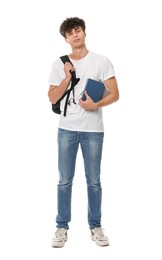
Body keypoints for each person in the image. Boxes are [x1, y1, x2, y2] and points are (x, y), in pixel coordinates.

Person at [48, 17, 119, 248]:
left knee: (94, 181)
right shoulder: (60, 64)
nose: (75, 35)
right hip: (66, 129)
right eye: (70, 33)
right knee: (64, 181)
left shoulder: (102, 61)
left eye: (77, 30)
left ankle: (95, 226)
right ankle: (61, 227)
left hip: (93, 131)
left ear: (84, 33)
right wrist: (67, 76)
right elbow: (51, 97)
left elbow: (115, 93)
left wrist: (94, 105)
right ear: (66, 39)